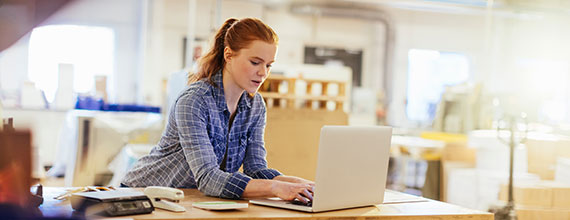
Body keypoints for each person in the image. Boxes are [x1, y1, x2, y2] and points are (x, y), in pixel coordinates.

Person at [122, 17, 314, 203]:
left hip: (191, 198)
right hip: (143, 194)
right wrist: (275, 188)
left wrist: (305, 186)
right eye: (255, 62)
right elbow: (208, 178)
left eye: (269, 65)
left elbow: (256, 170)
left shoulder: (255, 106)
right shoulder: (194, 101)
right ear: (229, 55)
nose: (263, 73)